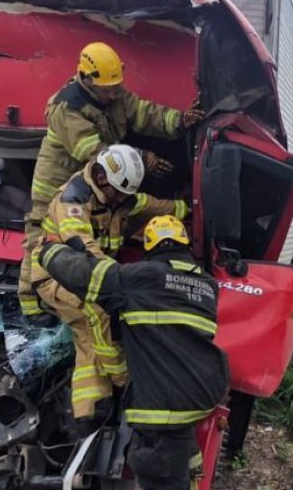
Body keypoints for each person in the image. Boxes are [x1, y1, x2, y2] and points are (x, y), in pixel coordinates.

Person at [39, 214, 228, 490]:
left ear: (149, 248)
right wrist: (87, 251)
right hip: (200, 391)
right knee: (178, 445)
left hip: (162, 407)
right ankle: (186, 475)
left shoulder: (140, 279)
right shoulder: (206, 286)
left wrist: (49, 252)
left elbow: (87, 277)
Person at [18, 41, 205, 317]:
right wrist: (142, 158)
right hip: (57, 182)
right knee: (40, 238)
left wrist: (179, 120)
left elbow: (143, 113)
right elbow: (93, 152)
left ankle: (83, 291)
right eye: (109, 89)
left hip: (95, 179)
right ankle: (31, 310)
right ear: (87, 78)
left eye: (117, 86)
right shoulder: (66, 107)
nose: (115, 93)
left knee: (97, 231)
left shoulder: (112, 92)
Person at [32, 145, 188, 431]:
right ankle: (121, 381)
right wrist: (121, 284)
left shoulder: (118, 195)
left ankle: (88, 416)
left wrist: (184, 208)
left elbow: (148, 204)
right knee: (99, 314)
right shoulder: (73, 201)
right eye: (122, 194)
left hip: (89, 275)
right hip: (58, 277)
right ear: (103, 179)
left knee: (87, 341)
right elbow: (83, 249)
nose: (126, 200)